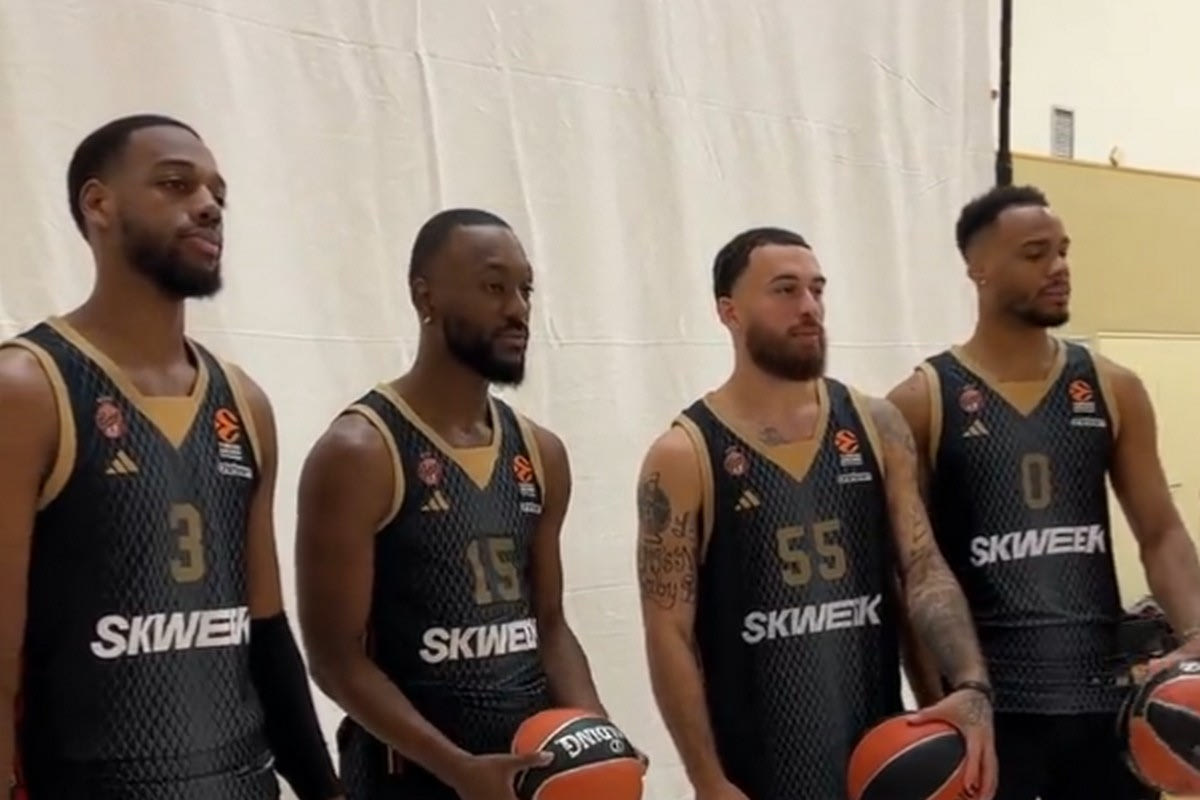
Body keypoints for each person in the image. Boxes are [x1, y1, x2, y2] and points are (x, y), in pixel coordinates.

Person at [0, 115, 343, 799]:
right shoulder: (30, 387)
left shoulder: (243, 402)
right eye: (176, 184)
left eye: (218, 194)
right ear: (99, 204)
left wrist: (324, 790)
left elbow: (265, 633)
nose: (209, 206)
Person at [635, 226, 997, 800]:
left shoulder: (875, 424)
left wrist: (968, 687)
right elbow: (668, 634)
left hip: (877, 767)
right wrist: (706, 779)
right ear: (728, 311)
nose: (809, 307)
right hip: (758, 777)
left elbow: (922, 567)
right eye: (785, 290)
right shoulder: (684, 454)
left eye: (817, 289)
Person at [295, 208, 632, 800]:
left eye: (526, 290)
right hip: (406, 782)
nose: (518, 309)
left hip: (522, 778)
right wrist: (457, 768)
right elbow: (335, 660)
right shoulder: (360, 452)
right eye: (494, 287)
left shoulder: (540, 452)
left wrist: (598, 739)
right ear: (425, 297)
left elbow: (549, 625)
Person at [887, 184, 1200, 800]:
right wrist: (936, 699)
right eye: (1035, 254)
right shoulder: (923, 401)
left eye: (1063, 251)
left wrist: (1195, 636)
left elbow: (1160, 531)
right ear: (978, 269)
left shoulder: (1111, 387)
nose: (1058, 267)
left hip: (1106, 705)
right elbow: (910, 573)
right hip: (993, 713)